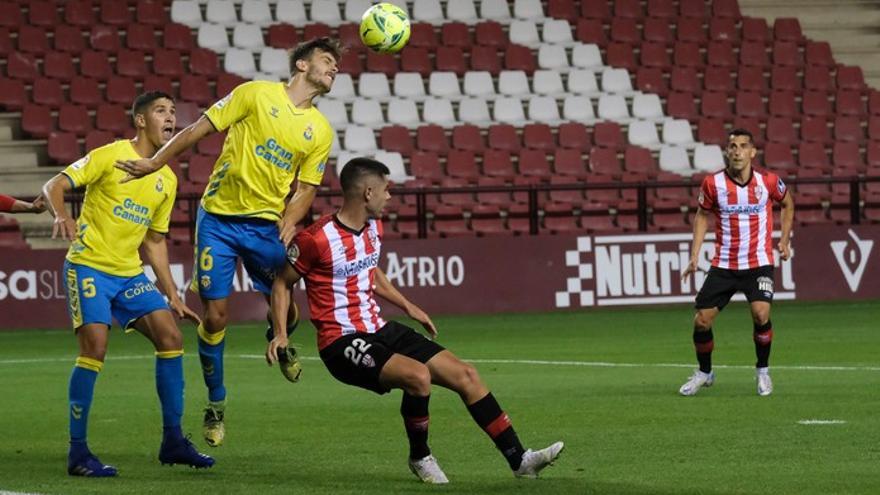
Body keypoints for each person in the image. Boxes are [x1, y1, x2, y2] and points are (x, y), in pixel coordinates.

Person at [267, 158, 564, 484]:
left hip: (379, 327)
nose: (390, 197)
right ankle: (420, 457)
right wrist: (281, 334)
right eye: (386, 190)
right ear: (368, 192)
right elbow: (283, 282)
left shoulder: (373, 228)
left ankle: (519, 459)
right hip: (341, 341)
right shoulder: (316, 239)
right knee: (418, 377)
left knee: (466, 374)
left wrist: (408, 306)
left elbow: (370, 271)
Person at [114, 38, 342, 447]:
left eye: (336, 65)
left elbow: (307, 187)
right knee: (215, 317)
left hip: (264, 226)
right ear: (303, 64)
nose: (334, 69)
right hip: (218, 219)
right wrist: (155, 161)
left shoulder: (320, 130)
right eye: (328, 61)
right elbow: (198, 129)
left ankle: (281, 337)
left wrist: (291, 219)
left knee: (287, 302)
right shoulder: (254, 94)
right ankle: (216, 403)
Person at [41, 91, 214, 477]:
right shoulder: (110, 155)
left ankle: (172, 441)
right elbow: (54, 184)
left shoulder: (166, 178)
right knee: (95, 347)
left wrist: (172, 293)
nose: (170, 117)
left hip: (128, 273)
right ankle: (78, 452)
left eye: (173, 111)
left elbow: (153, 241)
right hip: (89, 266)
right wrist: (61, 215)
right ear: (140, 120)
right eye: (160, 111)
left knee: (171, 338)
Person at [679, 128, 795, 397]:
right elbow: (701, 215)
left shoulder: (767, 181)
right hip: (725, 264)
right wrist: (695, 255)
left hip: (759, 262)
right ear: (727, 152)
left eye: (743, 146)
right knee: (701, 321)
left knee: (761, 313)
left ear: (752, 152)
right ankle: (705, 372)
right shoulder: (712, 184)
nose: (737, 150)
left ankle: (763, 372)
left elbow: (788, 204)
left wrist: (785, 239)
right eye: (732, 146)